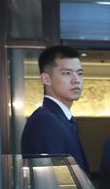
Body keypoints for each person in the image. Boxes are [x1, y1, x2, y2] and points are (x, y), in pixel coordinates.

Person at [21, 45, 90, 173]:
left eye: (80, 73)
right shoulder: (45, 123)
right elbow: (55, 184)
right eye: (67, 73)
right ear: (46, 79)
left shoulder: (60, 119)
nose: (76, 80)